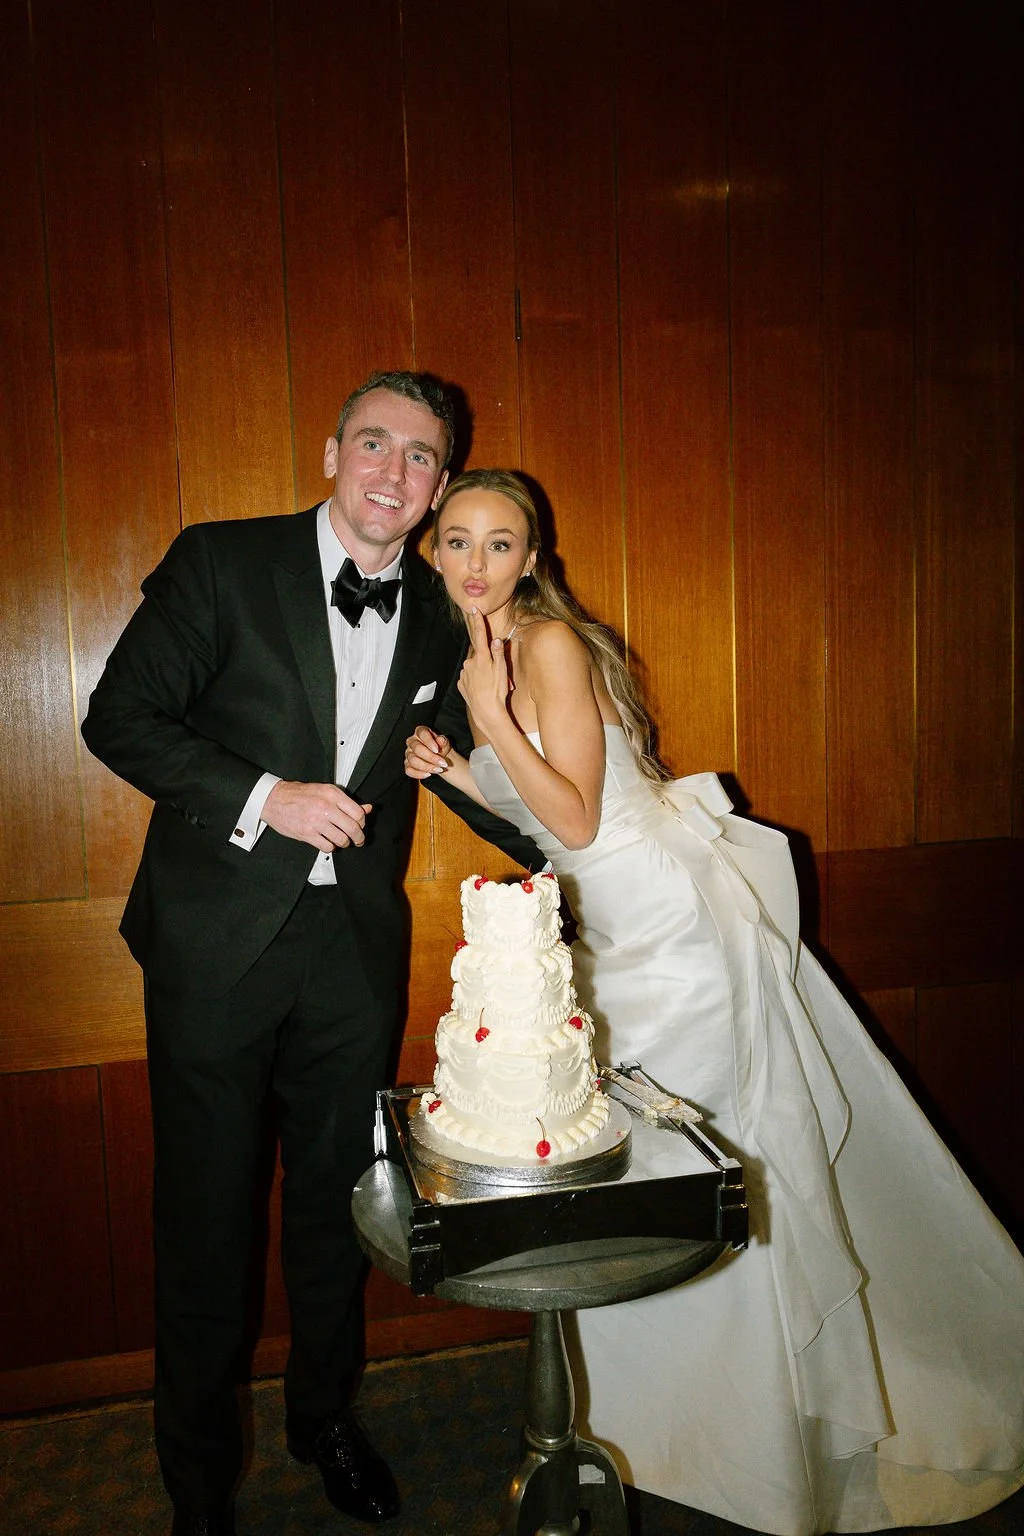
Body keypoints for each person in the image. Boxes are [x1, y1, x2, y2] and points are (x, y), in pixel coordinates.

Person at [405, 467, 1024, 1536]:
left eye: (498, 544)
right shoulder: (484, 654)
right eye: (456, 541)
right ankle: (664, 1422)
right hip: (617, 925)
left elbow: (585, 818)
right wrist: (461, 771)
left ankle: (747, 1433)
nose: (474, 563)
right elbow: (545, 815)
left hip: (668, 930)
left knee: (688, 1164)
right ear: (431, 552)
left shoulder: (541, 646)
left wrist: (490, 724)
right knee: (648, 1168)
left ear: (532, 558)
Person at [81, 381, 541, 1536]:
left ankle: (323, 1419)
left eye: (422, 457)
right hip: (213, 951)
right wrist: (263, 797)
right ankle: (197, 1487)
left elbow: (493, 784)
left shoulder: (448, 616)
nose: (394, 471)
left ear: (440, 487)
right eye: (375, 443)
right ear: (333, 451)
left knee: (344, 1206)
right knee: (204, 1222)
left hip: (349, 958)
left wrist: (575, 839)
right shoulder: (221, 563)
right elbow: (120, 718)